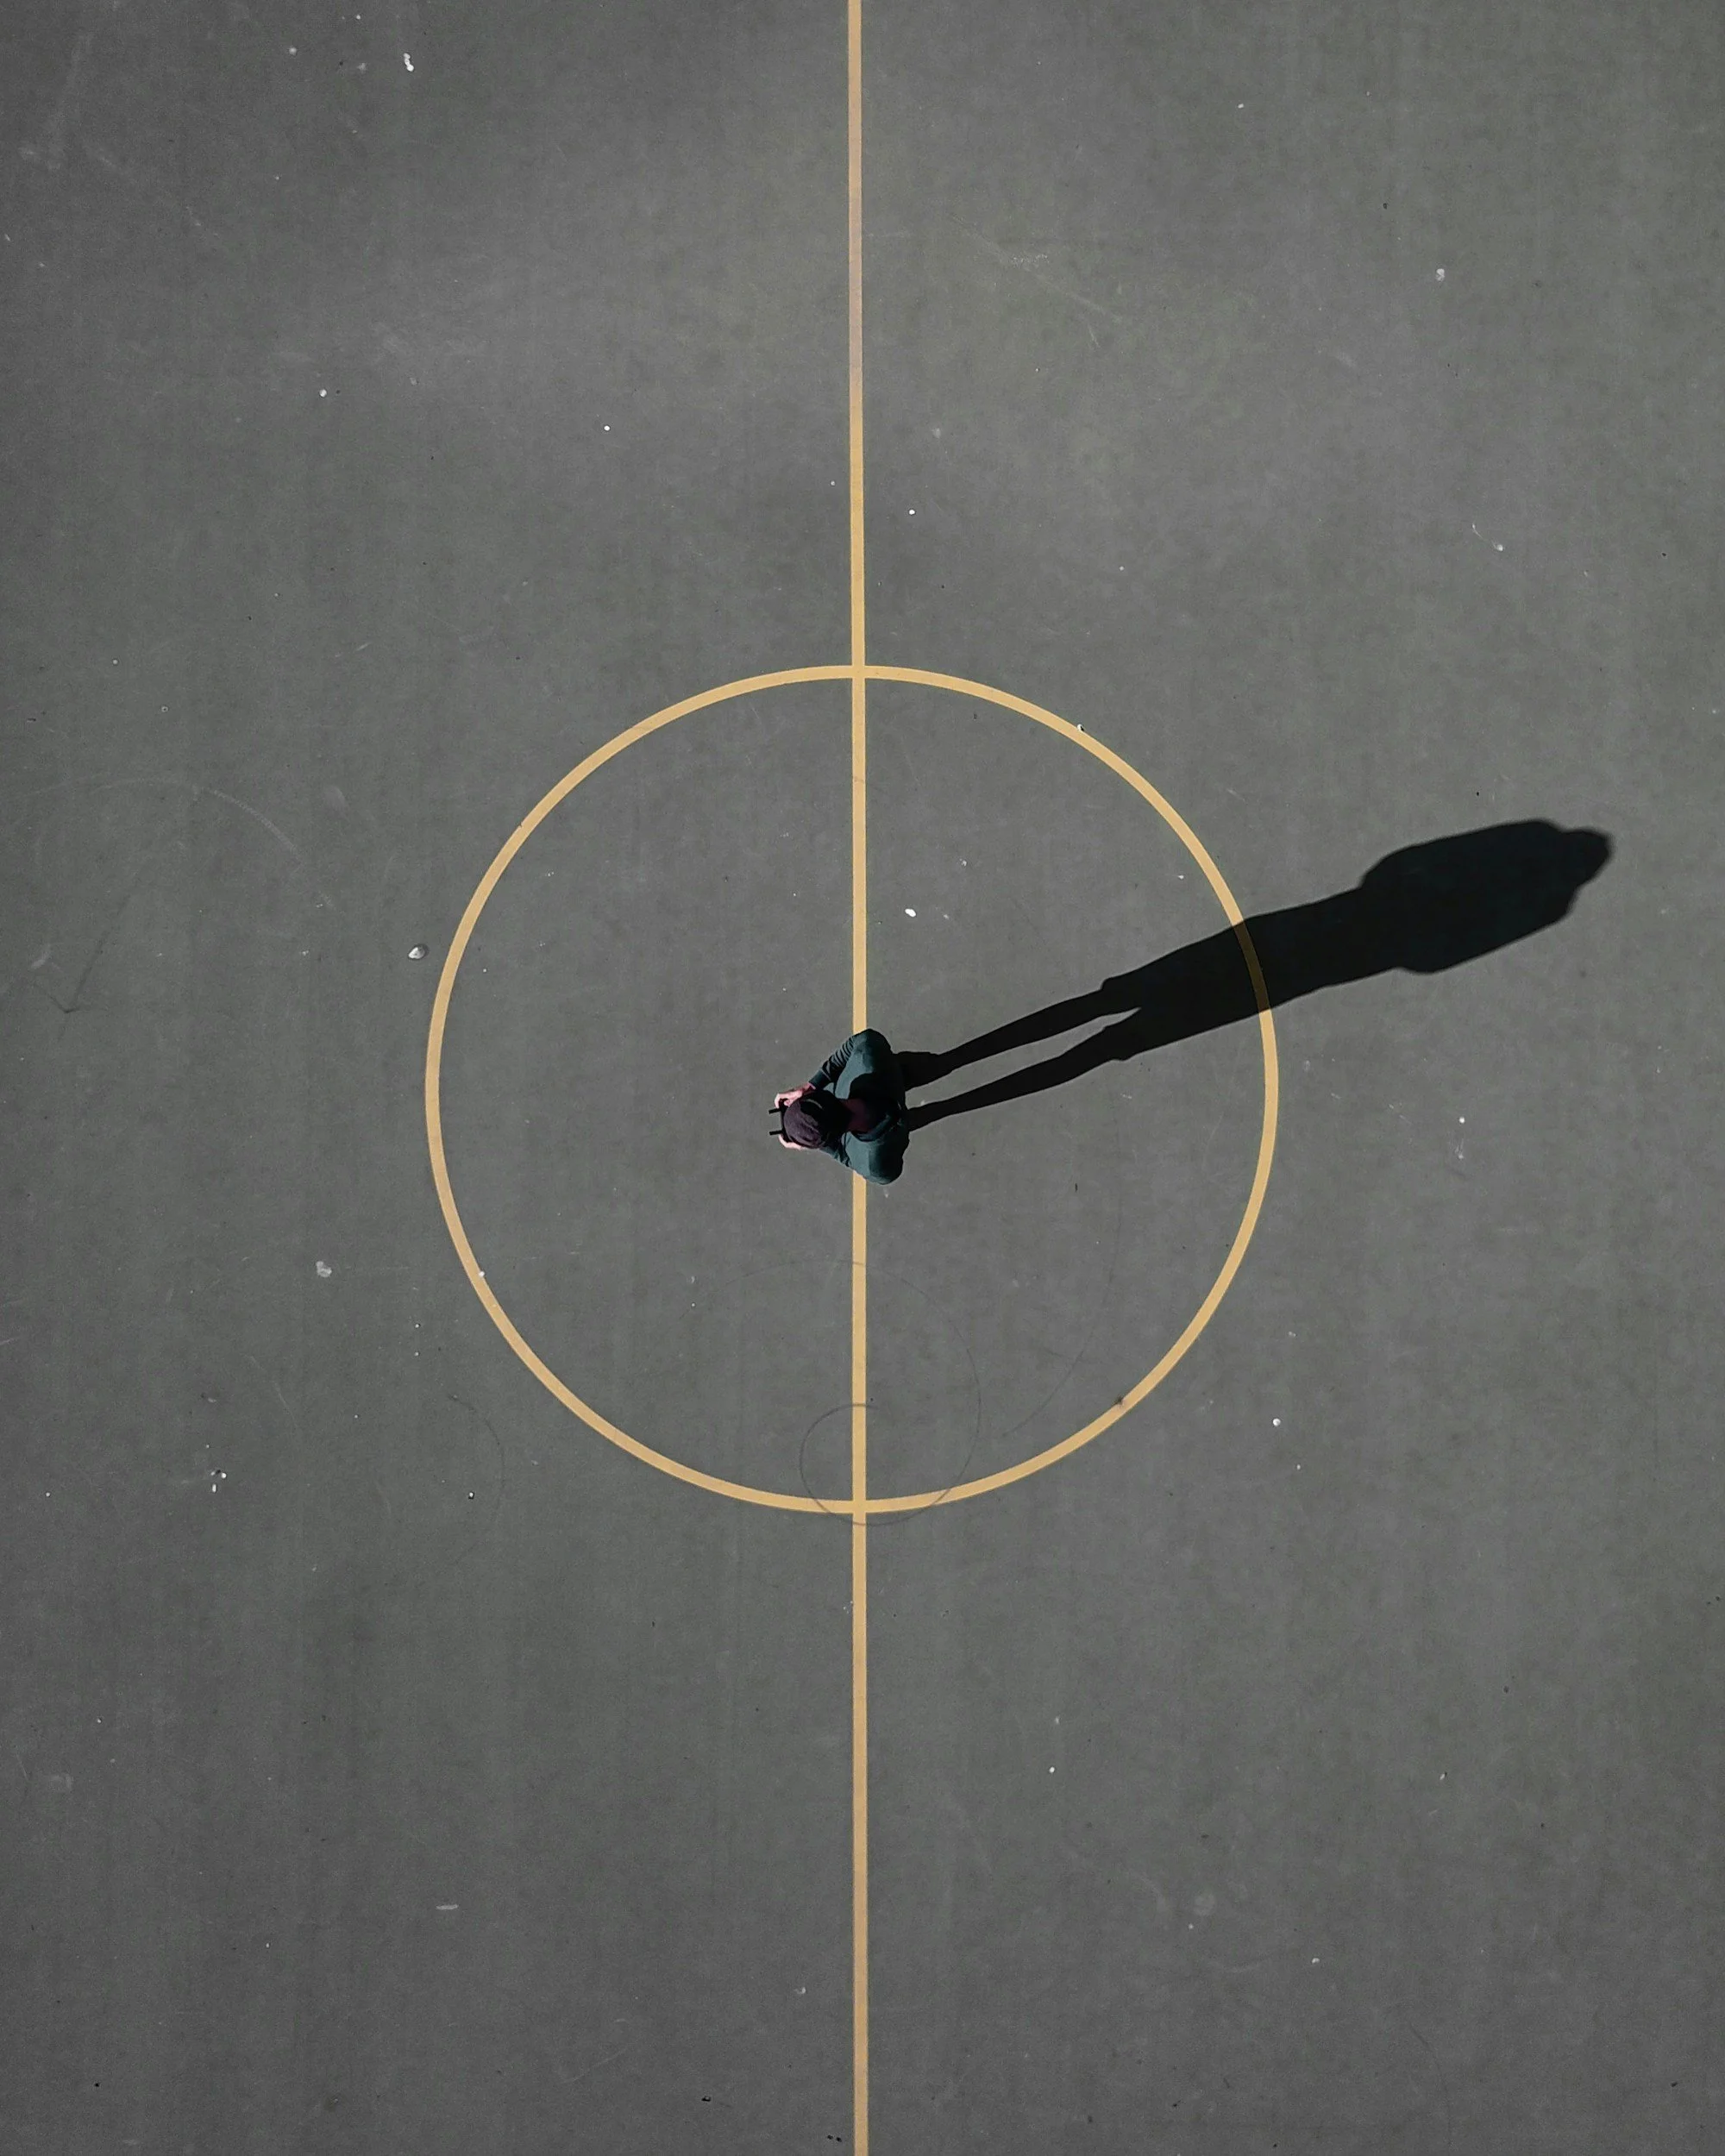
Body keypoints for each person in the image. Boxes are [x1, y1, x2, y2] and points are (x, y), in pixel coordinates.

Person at [774, 1029, 913, 1184]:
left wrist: (818, 1142)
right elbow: (862, 1040)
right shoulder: (867, 1055)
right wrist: (812, 1085)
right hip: (894, 1073)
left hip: (899, 1134)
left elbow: (888, 1172)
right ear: (825, 1094)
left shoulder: (873, 1165)